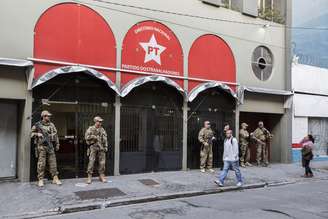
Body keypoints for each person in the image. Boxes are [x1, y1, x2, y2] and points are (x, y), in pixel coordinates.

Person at [31, 110, 62, 187]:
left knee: (53, 162)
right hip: (41, 146)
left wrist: (57, 144)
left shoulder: (51, 125)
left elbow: (56, 135)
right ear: (43, 116)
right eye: (47, 116)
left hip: (50, 146)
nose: (49, 117)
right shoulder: (38, 125)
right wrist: (37, 134)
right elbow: (31, 134)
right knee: (41, 163)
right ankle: (40, 179)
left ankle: (55, 177)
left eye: (49, 116)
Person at [85, 116, 109, 184]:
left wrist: (106, 147)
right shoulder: (91, 129)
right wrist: (93, 137)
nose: (100, 123)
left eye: (101, 122)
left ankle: (101, 175)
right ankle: (89, 176)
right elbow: (86, 137)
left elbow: (105, 139)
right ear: (95, 121)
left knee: (102, 162)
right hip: (93, 147)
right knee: (91, 162)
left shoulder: (102, 130)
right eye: (99, 121)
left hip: (101, 147)